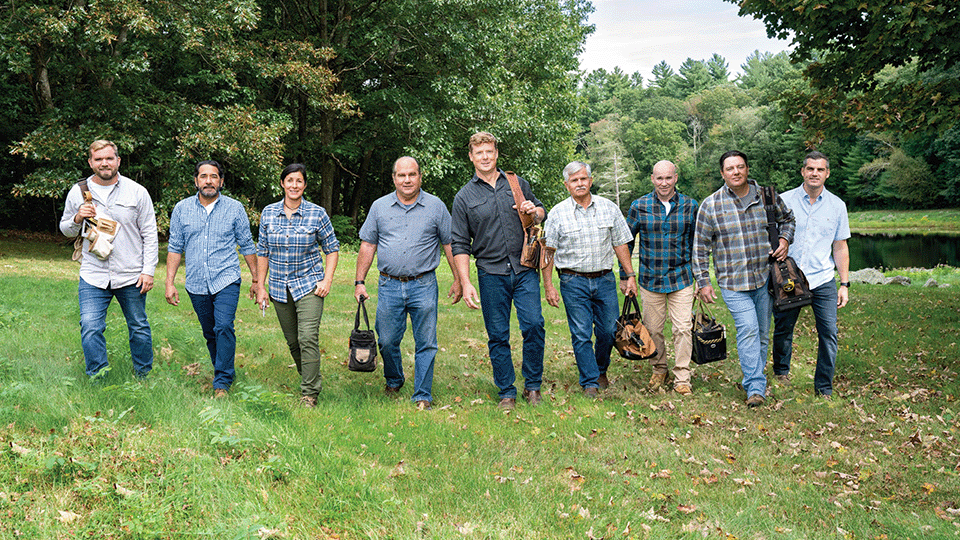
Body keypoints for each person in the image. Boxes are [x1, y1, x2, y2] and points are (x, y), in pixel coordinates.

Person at [354, 157, 462, 410]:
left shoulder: (435, 206)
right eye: (401, 175)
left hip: (423, 284)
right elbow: (368, 244)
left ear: (420, 177)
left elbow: (449, 244)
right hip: (388, 285)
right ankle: (394, 379)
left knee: (426, 341)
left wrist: (459, 279)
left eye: (412, 174)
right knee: (387, 341)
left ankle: (422, 394)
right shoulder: (379, 207)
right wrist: (360, 282)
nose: (407, 180)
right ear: (394, 178)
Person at [451, 131, 546, 409]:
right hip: (491, 272)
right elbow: (459, 243)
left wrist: (534, 211)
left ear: (496, 154)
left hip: (524, 267)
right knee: (497, 334)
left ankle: (533, 386)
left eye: (489, 151)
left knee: (534, 325)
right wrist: (465, 282)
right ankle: (506, 390)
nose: (485, 157)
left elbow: (541, 211)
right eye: (479, 152)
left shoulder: (516, 183)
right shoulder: (464, 197)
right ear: (471, 156)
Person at [693, 150, 795, 408]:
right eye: (730, 168)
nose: (736, 172)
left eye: (740, 167)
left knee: (761, 333)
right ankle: (755, 387)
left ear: (747, 169)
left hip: (765, 279)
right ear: (722, 173)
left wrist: (784, 240)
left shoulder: (768, 196)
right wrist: (703, 281)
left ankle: (756, 378)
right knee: (748, 329)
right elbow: (700, 246)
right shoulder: (711, 205)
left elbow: (788, 220)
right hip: (733, 282)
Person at [59, 140, 159, 379]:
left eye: (109, 158)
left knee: (139, 327)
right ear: (91, 162)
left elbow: (150, 234)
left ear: (118, 161)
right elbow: (65, 229)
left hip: (131, 274)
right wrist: (76, 218)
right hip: (94, 274)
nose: (104, 163)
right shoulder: (78, 192)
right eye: (99, 159)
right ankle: (97, 376)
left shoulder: (137, 191)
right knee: (91, 327)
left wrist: (148, 271)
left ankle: (143, 376)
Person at [165, 160, 260, 398]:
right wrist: (169, 282)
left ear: (221, 181)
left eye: (214, 176)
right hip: (196, 282)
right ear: (196, 180)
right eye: (204, 176)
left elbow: (247, 245)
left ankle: (222, 383)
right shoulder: (181, 209)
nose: (209, 181)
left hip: (226, 277)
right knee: (210, 332)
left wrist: (257, 280)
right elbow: (175, 247)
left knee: (224, 326)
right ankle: (224, 369)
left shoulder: (235, 208)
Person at [542, 162, 637, 397]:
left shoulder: (608, 207)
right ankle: (590, 382)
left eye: (583, 179)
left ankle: (600, 368)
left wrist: (630, 275)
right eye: (574, 180)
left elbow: (620, 243)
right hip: (573, 282)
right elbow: (548, 252)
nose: (580, 183)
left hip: (604, 280)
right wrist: (549, 286)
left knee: (608, 330)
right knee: (582, 333)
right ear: (567, 185)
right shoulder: (557, 213)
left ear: (591, 181)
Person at [255, 164, 340, 408]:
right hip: (280, 288)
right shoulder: (269, 213)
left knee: (307, 338)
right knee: (293, 341)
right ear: (282, 183)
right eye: (290, 180)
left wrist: (327, 280)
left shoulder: (317, 213)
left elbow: (332, 248)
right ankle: (310, 376)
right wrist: (261, 286)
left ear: (304, 185)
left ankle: (309, 393)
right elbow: (263, 251)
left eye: (299, 181)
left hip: (309, 286)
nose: (294, 185)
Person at [772, 151, 850, 398]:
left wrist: (844, 283)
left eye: (820, 170)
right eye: (810, 169)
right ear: (803, 171)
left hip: (822, 278)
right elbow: (771, 239)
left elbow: (840, 246)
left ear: (827, 173)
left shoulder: (837, 206)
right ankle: (781, 371)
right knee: (784, 328)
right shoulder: (784, 200)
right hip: (789, 278)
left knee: (829, 333)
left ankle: (824, 387)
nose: (815, 173)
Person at [624, 160, 699, 395]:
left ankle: (682, 376)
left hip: (682, 277)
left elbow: (698, 243)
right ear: (652, 179)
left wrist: (701, 279)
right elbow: (626, 242)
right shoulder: (639, 206)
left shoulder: (690, 206)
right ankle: (659, 368)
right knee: (653, 330)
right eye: (659, 178)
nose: (664, 183)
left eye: (668, 178)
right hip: (650, 278)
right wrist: (626, 276)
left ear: (676, 177)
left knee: (683, 328)